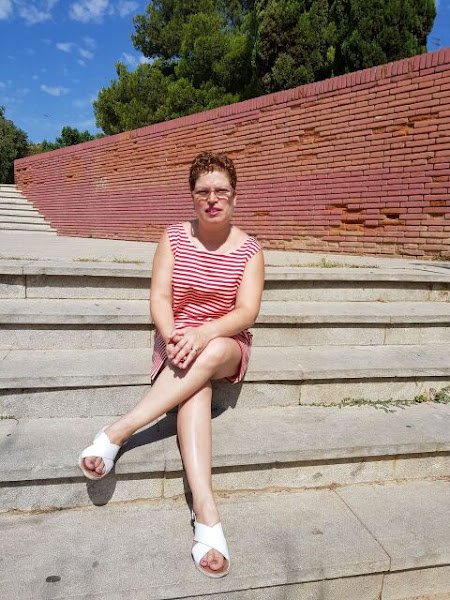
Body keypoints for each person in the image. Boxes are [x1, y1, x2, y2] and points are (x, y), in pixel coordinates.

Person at [78, 151, 265, 578]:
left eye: (221, 191)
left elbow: (247, 312)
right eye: (203, 191)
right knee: (195, 390)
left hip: (225, 342)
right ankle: (207, 512)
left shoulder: (250, 250)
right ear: (192, 196)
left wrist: (203, 334)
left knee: (211, 352)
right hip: (176, 341)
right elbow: (160, 298)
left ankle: (118, 432)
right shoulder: (174, 238)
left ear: (235, 196)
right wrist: (173, 335)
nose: (212, 199)